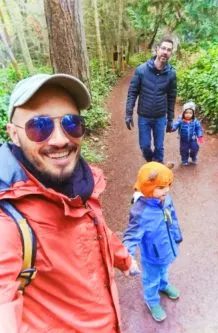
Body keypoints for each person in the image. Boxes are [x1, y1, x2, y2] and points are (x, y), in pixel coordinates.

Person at [0, 73, 133, 333]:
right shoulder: (8, 219)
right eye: (39, 126)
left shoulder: (83, 183)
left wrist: (123, 258)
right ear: (13, 134)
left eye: (71, 124)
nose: (61, 139)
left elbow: (96, 231)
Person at [123, 162, 182, 322]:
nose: (167, 190)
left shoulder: (165, 198)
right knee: (151, 279)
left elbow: (172, 217)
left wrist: (177, 235)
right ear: (149, 187)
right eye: (162, 187)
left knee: (164, 270)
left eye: (168, 185)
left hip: (167, 248)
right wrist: (127, 259)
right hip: (152, 255)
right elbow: (130, 237)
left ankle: (163, 285)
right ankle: (152, 301)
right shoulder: (141, 212)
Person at [125, 37, 177, 163]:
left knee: (159, 148)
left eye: (169, 50)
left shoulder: (171, 74)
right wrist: (128, 114)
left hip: (160, 117)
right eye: (163, 48)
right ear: (157, 49)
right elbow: (132, 92)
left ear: (171, 53)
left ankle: (159, 171)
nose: (165, 52)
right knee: (145, 147)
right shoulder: (141, 70)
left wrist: (170, 119)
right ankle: (152, 164)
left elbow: (171, 97)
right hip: (144, 117)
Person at [171, 101, 203, 166]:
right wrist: (172, 128)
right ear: (183, 113)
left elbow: (198, 128)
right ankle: (184, 160)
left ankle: (193, 156)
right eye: (186, 113)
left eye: (190, 113)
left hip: (192, 139)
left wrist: (199, 136)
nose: (188, 114)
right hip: (183, 139)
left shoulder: (195, 121)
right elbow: (175, 125)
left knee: (195, 148)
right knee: (183, 150)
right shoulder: (180, 120)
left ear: (193, 114)